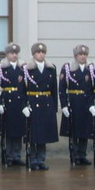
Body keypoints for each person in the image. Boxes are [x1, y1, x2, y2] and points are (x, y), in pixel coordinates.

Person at [22, 42, 58, 170]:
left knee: (44, 134)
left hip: (46, 102)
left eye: (43, 52)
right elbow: (22, 90)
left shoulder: (51, 68)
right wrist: (24, 105)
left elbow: (54, 89)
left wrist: (55, 107)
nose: (41, 54)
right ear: (33, 54)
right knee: (33, 134)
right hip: (33, 101)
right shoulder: (27, 68)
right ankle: (33, 159)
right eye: (38, 52)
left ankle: (41, 160)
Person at [59, 44, 95, 166]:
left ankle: (82, 154)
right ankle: (74, 154)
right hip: (73, 102)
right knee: (73, 130)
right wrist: (64, 105)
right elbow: (62, 88)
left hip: (86, 102)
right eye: (80, 54)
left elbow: (92, 88)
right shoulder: (68, 68)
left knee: (85, 131)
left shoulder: (91, 68)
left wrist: (92, 104)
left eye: (85, 54)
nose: (83, 56)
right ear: (75, 56)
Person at [0, 43, 27, 166]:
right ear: (7, 54)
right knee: (8, 131)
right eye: (12, 53)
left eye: (16, 53)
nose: (14, 55)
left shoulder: (23, 68)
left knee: (18, 130)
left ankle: (16, 155)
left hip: (19, 101)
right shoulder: (0, 67)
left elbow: (26, 87)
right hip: (7, 100)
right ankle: (8, 155)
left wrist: (26, 104)